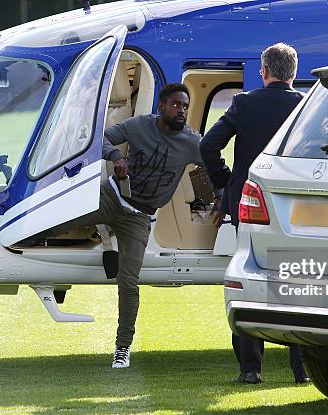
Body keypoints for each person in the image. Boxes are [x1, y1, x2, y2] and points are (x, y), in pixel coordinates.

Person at [52, 83, 212, 369]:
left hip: (138, 217)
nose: (182, 111)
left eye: (185, 106)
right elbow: (97, 139)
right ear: (161, 106)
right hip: (111, 196)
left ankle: (122, 348)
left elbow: (213, 163)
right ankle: (57, 282)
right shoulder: (140, 125)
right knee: (55, 220)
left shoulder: (191, 142)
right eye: (176, 105)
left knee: (129, 281)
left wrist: (221, 196)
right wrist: (115, 155)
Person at [199, 43, 308, 384]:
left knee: (249, 283)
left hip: (250, 206)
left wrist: (227, 184)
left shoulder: (244, 103)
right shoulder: (306, 107)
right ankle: (302, 370)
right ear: (293, 72)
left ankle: (250, 369)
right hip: (297, 209)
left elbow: (208, 145)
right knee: (298, 289)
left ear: (264, 72)